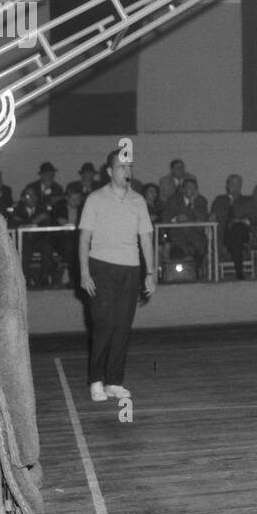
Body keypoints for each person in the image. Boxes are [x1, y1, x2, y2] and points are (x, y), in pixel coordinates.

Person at [79, 149, 156, 403]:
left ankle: (113, 381)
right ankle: (96, 380)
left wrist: (150, 272)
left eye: (129, 166)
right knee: (104, 325)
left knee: (122, 326)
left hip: (130, 269)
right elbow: (84, 238)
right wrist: (84, 272)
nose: (127, 171)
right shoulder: (95, 199)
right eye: (121, 167)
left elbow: (146, 238)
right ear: (110, 172)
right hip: (101, 266)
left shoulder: (138, 201)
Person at [210, 174, 256, 280]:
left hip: (243, 233)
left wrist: (241, 220)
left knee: (237, 228)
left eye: (238, 184)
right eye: (233, 184)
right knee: (234, 234)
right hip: (224, 233)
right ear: (227, 186)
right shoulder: (219, 200)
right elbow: (214, 214)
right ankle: (239, 270)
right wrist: (213, 216)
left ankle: (239, 271)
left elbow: (253, 217)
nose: (236, 186)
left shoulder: (247, 200)